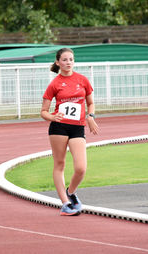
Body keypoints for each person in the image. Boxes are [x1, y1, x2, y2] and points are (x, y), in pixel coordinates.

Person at [41, 48, 99, 216]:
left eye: (71, 59)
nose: (68, 62)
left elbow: (91, 103)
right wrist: (53, 117)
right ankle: (65, 204)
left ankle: (71, 192)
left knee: (81, 168)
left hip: (77, 127)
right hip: (58, 127)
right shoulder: (54, 84)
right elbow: (43, 111)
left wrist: (91, 116)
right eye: (65, 60)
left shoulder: (82, 80)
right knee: (60, 164)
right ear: (58, 62)